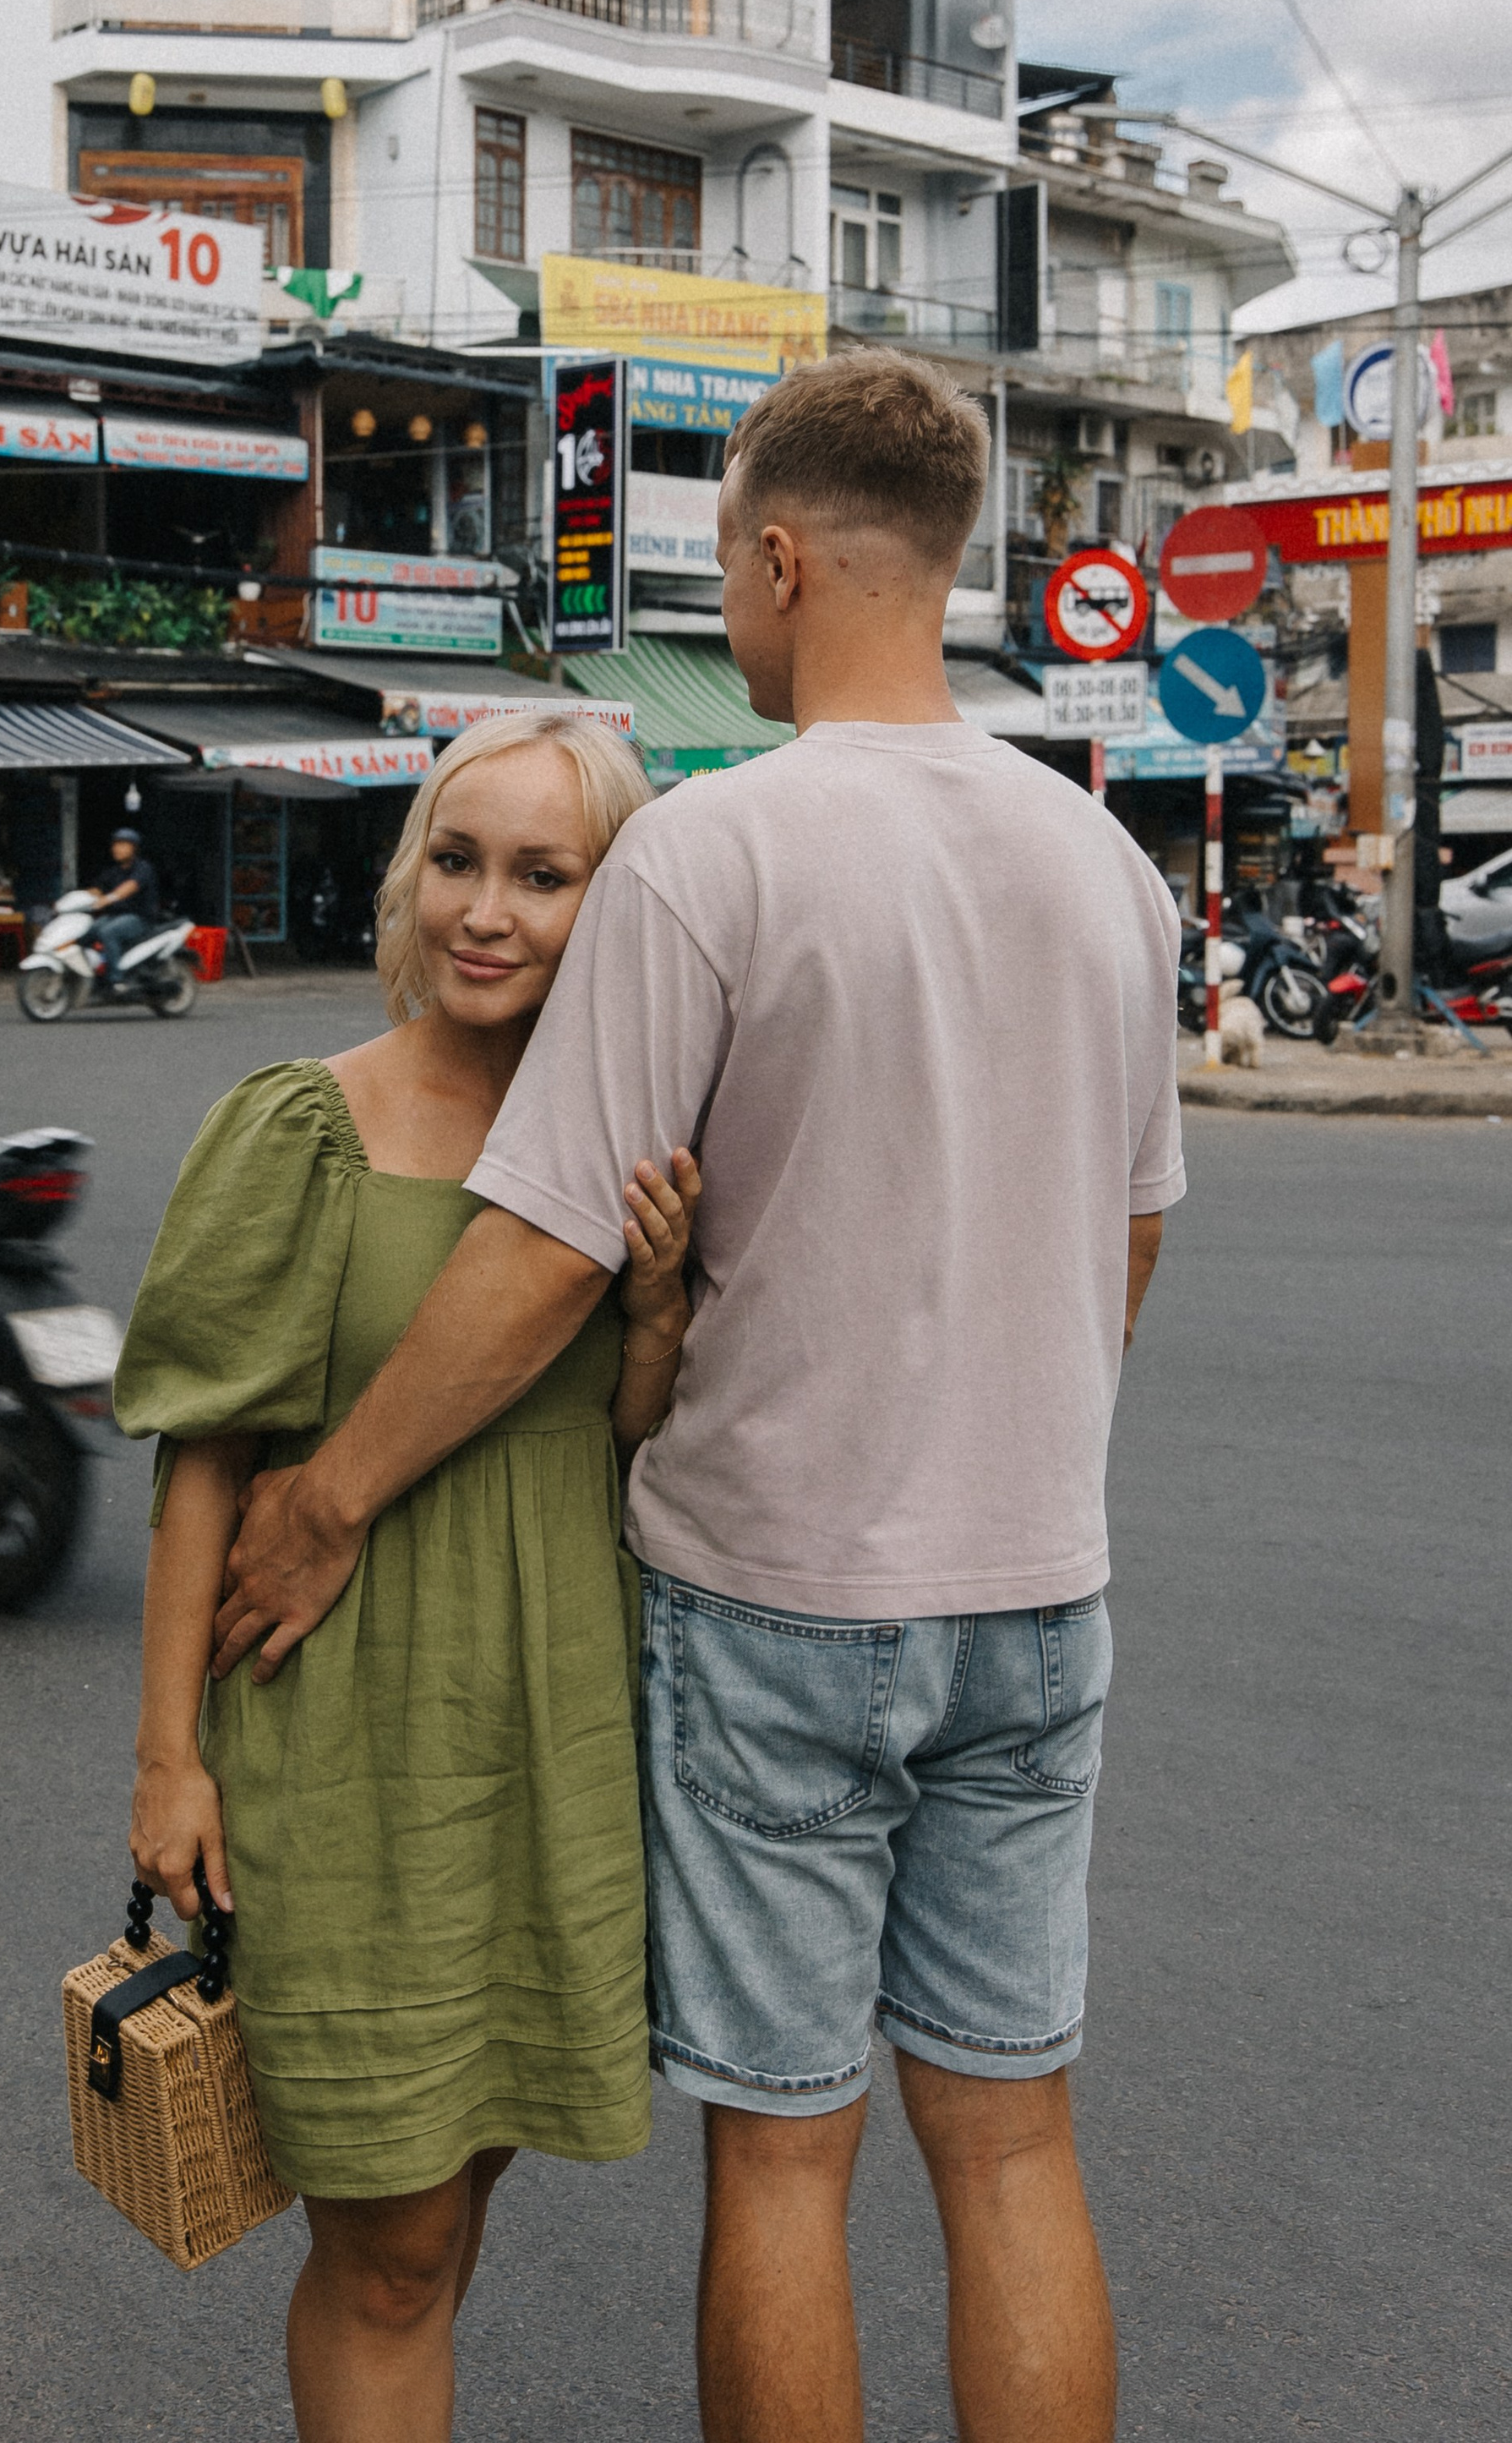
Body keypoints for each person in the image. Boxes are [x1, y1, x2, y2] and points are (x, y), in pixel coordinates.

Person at [213, 353, 1184, 2443]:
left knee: (785, 2152)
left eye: (719, 570)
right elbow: (1126, 1234)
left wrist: (333, 1493)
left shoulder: (715, 847)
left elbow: (544, 1240)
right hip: (1039, 1587)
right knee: (1010, 2141)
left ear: (772, 556)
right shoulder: (1106, 867)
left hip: (781, 1603)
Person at [112, 713, 701, 2443]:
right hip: (342, 1739)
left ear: (615, 910)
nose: (486, 912)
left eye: (542, 874)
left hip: (549, 1742)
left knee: (449, 2224)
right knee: (384, 2247)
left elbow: (621, 1443)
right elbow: (201, 1465)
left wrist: (658, 1313)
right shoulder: (306, 1125)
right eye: (456, 861)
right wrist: (166, 1760)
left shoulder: (635, 1152)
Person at [90, 827, 161, 980]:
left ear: (134, 848)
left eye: (123, 844)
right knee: (88, 930)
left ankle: (116, 979)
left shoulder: (143, 868)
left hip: (140, 919)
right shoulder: (113, 871)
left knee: (108, 932)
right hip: (115, 916)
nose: (117, 848)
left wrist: (108, 899)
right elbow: (97, 889)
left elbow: (130, 887)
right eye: (115, 844)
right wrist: (78, 899)